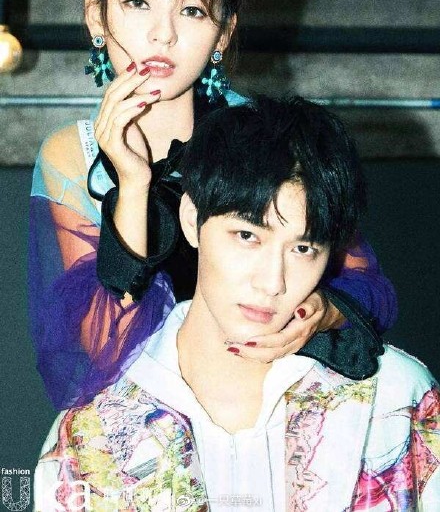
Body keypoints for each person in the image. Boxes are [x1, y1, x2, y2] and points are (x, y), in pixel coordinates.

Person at [28, 0, 396, 412]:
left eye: (192, 10)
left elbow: (369, 290)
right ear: (95, 15)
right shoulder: (70, 155)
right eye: (138, 2)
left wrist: (324, 309)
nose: (163, 34)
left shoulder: (271, 137)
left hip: (274, 399)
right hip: (151, 423)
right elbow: (105, 350)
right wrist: (133, 183)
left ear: (223, 32)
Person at [34, 97, 440, 512]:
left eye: (302, 248)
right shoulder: (92, 436)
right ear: (191, 219)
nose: (272, 282)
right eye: (247, 236)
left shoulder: (396, 399)